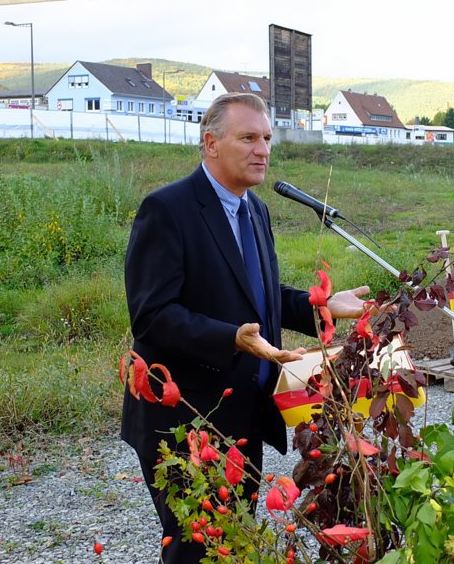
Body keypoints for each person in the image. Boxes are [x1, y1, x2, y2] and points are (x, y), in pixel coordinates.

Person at [122, 92, 372, 563]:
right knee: (196, 548)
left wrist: (320, 305)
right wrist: (229, 338)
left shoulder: (253, 210)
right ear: (211, 143)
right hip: (187, 418)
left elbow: (263, 297)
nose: (263, 149)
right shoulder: (167, 209)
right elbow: (151, 315)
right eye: (249, 138)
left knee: (234, 541)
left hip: (242, 417)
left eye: (267, 138)